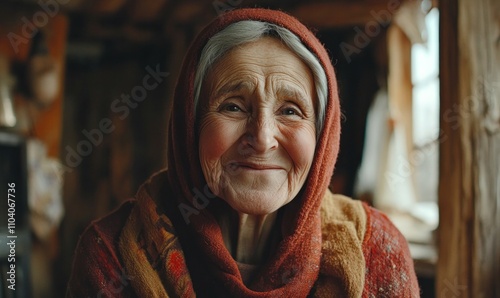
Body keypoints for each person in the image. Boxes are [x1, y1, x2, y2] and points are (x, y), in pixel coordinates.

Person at [66, 8, 420, 297]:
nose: (263, 138)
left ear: (322, 136)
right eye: (233, 107)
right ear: (190, 127)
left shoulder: (375, 250)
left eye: (290, 111)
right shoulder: (113, 255)